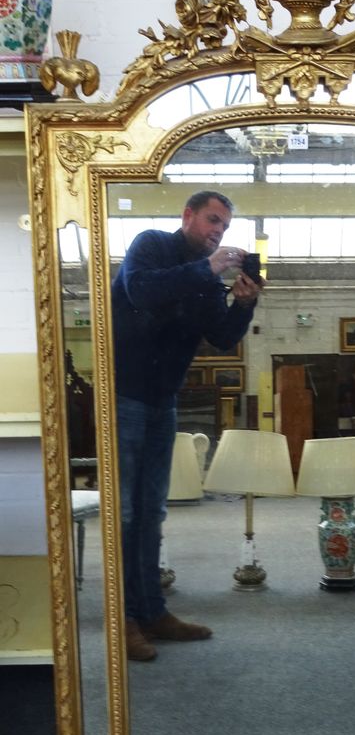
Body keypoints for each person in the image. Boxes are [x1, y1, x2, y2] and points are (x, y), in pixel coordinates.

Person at [112, 190, 261, 661]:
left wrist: (243, 304)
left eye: (225, 226)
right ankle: (126, 621)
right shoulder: (151, 243)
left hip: (162, 401)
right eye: (212, 221)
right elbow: (141, 290)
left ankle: (152, 612)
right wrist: (211, 267)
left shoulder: (206, 276)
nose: (218, 231)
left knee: (152, 513)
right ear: (188, 216)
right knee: (128, 515)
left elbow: (220, 336)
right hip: (124, 395)